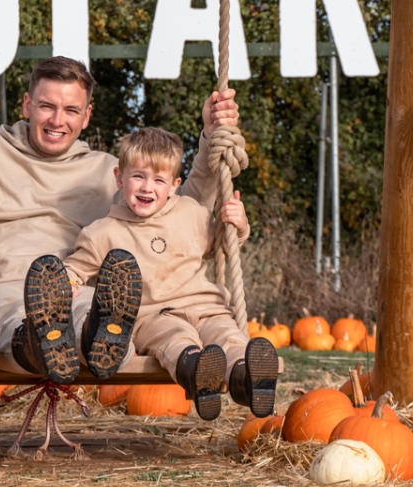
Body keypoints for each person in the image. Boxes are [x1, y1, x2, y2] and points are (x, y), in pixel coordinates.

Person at [0, 57, 240, 383]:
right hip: (3, 286)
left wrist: (210, 142)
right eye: (47, 106)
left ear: (86, 116)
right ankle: (36, 343)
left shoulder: (111, 173)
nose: (57, 120)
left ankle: (92, 342)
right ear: (26, 105)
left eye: (71, 110)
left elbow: (176, 214)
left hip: (77, 286)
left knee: (92, 314)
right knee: (11, 317)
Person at [55, 127, 277, 420]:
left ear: (174, 185)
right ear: (120, 178)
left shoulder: (191, 214)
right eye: (138, 176)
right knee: (175, 340)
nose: (148, 188)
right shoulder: (102, 233)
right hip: (152, 317)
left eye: (159, 180)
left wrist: (237, 223)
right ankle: (198, 376)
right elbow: (76, 268)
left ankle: (247, 379)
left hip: (208, 308)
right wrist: (66, 282)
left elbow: (223, 246)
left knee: (229, 337)